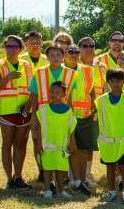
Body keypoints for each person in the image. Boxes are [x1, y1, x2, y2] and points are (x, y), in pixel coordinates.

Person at [26, 44, 81, 181]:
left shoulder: (71, 73)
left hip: (62, 115)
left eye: (58, 55)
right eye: (52, 55)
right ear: (47, 57)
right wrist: (33, 117)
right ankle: (44, 175)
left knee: (61, 143)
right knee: (41, 143)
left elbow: (69, 98)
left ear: (63, 57)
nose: (55, 58)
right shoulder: (39, 72)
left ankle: (61, 176)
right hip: (43, 115)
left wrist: (71, 116)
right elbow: (34, 95)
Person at [0, 35, 32, 190]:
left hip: (23, 110)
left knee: (20, 144)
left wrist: (28, 105)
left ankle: (18, 176)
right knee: (7, 144)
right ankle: (9, 179)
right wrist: (8, 77)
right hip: (6, 110)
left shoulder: (27, 65)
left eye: (14, 46)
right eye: (8, 46)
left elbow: (32, 88)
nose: (11, 49)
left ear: (20, 49)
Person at [95, 69, 124, 204]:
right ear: (108, 82)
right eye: (112, 81)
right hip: (107, 140)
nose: (115, 84)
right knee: (110, 167)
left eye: (118, 81)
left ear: (123, 82)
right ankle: (112, 192)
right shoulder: (101, 100)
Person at [33, 81, 78, 198]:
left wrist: (72, 142)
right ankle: (48, 190)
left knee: (60, 168)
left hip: (61, 146)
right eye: (52, 92)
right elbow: (38, 128)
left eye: (57, 92)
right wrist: (38, 144)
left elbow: (71, 128)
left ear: (64, 94)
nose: (54, 94)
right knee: (47, 168)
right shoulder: (43, 110)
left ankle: (61, 190)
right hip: (47, 145)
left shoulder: (68, 110)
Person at [70, 37, 102, 192]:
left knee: (87, 147)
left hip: (88, 114)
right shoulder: (65, 68)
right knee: (71, 146)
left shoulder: (92, 69)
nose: (88, 48)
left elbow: (92, 91)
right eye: (84, 46)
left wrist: (95, 108)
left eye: (91, 45)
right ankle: (72, 176)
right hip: (69, 115)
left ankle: (85, 175)